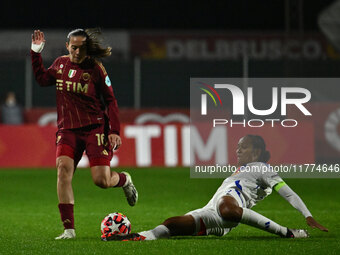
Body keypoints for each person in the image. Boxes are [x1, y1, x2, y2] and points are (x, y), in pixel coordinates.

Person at [104, 135, 328, 241]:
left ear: (257, 152)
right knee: (170, 225)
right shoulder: (244, 168)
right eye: (237, 147)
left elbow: (286, 191)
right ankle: (132, 237)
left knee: (228, 208)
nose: (237, 151)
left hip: (230, 206)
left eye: (243, 147)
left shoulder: (263, 168)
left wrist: (307, 215)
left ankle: (287, 233)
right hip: (213, 212)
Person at [31, 29, 138, 239]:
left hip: (94, 129)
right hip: (67, 129)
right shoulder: (60, 64)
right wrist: (36, 52)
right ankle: (69, 230)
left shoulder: (96, 68)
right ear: (67, 45)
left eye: (81, 47)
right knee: (63, 170)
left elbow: (111, 101)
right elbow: (43, 79)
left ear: (87, 48)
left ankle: (125, 180)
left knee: (101, 181)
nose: (77, 51)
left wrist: (114, 131)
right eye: (74, 47)